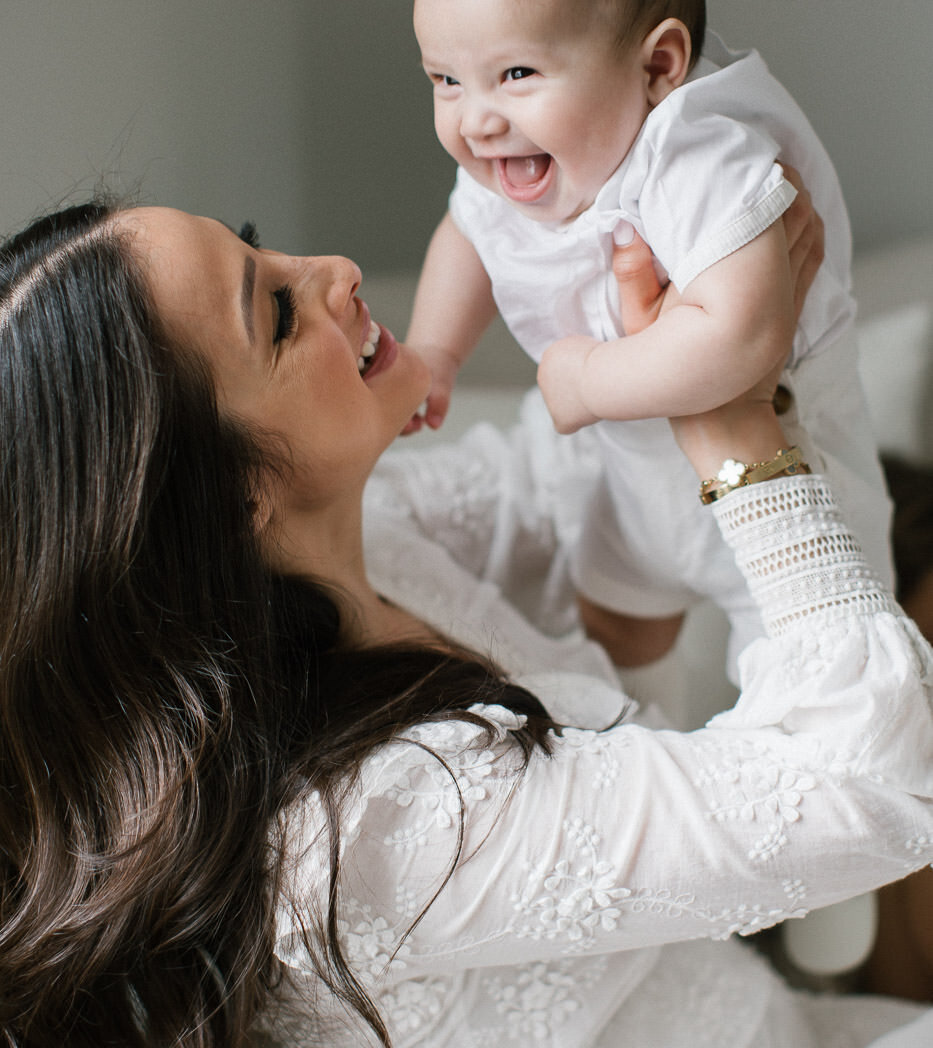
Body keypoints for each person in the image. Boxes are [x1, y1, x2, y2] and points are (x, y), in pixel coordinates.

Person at [1, 193, 932, 1048]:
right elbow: (878, 783)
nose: (334, 269)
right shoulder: (365, 827)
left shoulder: (379, 539)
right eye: (278, 311)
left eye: (260, 248)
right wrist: (742, 445)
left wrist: (675, 339)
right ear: (227, 496)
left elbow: (561, 483)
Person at [407, 0, 891, 685]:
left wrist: (588, 382)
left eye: (515, 73)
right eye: (446, 80)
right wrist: (434, 354)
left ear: (658, 65)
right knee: (619, 632)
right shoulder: (509, 163)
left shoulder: (698, 151)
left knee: (809, 675)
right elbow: (467, 237)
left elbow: (740, 339)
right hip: (629, 475)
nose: (475, 120)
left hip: (781, 467)